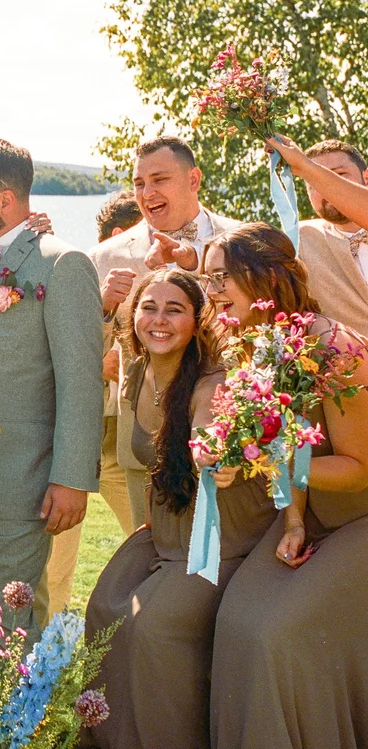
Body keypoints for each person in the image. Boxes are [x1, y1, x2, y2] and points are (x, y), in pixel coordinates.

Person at [206, 224, 368, 749]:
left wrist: (269, 461)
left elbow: (357, 467)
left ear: (266, 278)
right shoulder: (265, 345)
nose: (213, 292)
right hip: (315, 515)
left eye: (221, 277)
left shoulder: (335, 348)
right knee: (238, 615)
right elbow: (292, 434)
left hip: (360, 516)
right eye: (209, 278)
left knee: (280, 632)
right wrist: (294, 520)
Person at [84, 270, 277, 749]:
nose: (159, 320)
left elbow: (207, 435)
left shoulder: (212, 383)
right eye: (149, 307)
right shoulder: (135, 370)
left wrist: (212, 450)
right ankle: (114, 738)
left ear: (196, 322)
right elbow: (152, 460)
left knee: (154, 624)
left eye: (175, 310)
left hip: (222, 533)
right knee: (104, 604)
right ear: (133, 315)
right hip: (167, 521)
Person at [0, 139, 103, 653]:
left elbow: (80, 380)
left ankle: (18, 713)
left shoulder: (62, 263)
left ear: (5, 199)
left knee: (6, 640)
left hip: (20, 486)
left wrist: (71, 478)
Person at [90, 137, 241, 530]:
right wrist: (104, 311)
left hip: (233, 435)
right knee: (150, 553)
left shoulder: (244, 242)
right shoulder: (105, 256)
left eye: (159, 180)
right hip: (145, 443)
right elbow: (83, 350)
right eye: (139, 183)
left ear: (194, 179)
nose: (147, 193)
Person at [35, 190, 145, 626]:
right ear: (119, 236)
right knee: (54, 563)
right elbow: (48, 358)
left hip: (123, 441)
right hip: (74, 441)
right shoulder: (75, 275)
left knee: (147, 539)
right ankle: (49, 648)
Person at [275, 138, 368, 339]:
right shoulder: (298, 240)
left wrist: (305, 167)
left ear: (366, 178)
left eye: (339, 175)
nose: (326, 189)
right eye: (314, 183)